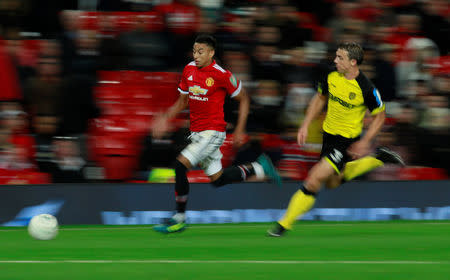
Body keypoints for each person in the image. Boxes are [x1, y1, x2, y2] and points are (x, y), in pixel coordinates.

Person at [267, 42, 404, 237]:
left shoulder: (366, 88)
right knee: (332, 182)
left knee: (314, 179)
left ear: (353, 62)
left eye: (340, 58)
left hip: (345, 141)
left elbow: (380, 117)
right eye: (336, 56)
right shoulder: (330, 74)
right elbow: (320, 98)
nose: (335, 60)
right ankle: (378, 159)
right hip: (328, 137)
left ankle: (283, 224)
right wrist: (306, 123)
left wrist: (365, 142)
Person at [152, 34, 282, 234]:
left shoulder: (221, 75)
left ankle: (179, 218)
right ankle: (259, 168)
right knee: (217, 179)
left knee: (180, 166)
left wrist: (239, 129)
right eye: (194, 51)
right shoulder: (188, 70)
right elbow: (182, 101)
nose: (196, 55)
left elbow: (245, 99)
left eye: (201, 51)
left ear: (211, 53)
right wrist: (165, 117)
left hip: (212, 132)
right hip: (197, 133)